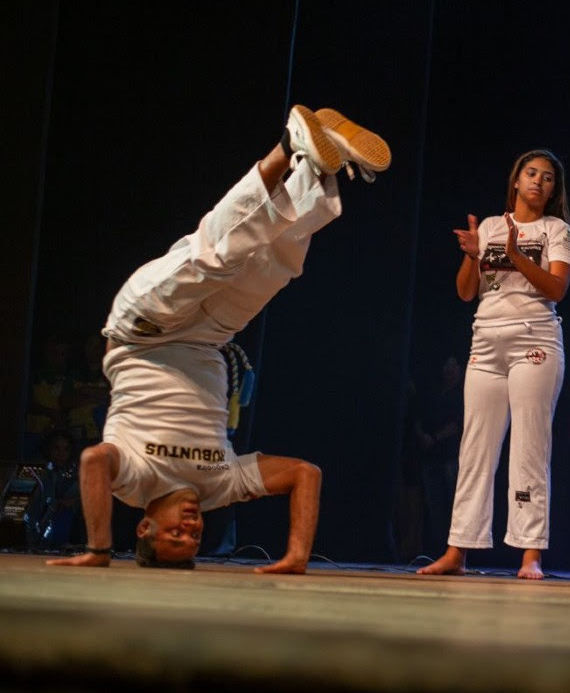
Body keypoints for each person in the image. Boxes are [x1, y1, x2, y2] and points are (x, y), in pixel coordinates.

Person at [46, 105, 390, 572]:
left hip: (141, 332)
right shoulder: (218, 488)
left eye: (175, 535)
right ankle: (318, 164)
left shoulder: (135, 483)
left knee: (213, 259)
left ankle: (288, 145)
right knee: (277, 262)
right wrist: (297, 555)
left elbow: (92, 462)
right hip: (210, 336)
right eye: (194, 539)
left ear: (144, 527)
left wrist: (100, 550)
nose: (190, 529)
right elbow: (304, 474)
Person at [418, 150, 570, 580]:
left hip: (534, 341)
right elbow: (466, 293)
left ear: (553, 190)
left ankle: (530, 554)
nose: (538, 181)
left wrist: (515, 254)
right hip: (486, 342)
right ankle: (458, 550)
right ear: (516, 181)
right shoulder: (489, 226)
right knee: (474, 448)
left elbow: (557, 288)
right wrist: (474, 254)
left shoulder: (556, 229)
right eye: (531, 173)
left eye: (547, 178)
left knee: (530, 447)